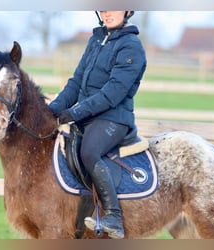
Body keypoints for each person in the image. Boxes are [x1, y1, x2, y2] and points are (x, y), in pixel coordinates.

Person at [49, 11, 147, 239]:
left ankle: (114, 216)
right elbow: (75, 82)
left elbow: (112, 93)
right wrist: (52, 110)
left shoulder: (131, 46)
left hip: (113, 117)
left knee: (90, 151)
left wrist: (74, 112)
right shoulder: (95, 40)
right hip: (88, 116)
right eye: (102, 8)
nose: (107, 13)